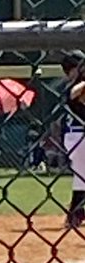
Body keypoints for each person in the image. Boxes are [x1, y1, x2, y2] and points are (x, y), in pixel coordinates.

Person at [62, 51, 85, 229]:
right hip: (77, 136)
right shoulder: (72, 85)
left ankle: (76, 213)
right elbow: (73, 94)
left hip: (78, 136)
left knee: (82, 178)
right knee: (82, 177)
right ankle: (75, 213)